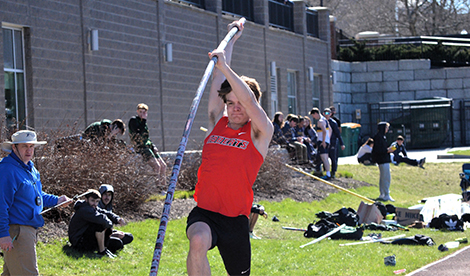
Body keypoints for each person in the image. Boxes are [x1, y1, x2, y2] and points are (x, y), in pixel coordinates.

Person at [186, 20, 273, 276]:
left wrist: (225, 64)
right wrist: (231, 40)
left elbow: (247, 98)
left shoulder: (260, 132)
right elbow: (218, 79)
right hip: (205, 213)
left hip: (235, 221)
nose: (236, 107)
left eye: (241, 103)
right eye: (230, 102)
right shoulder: (216, 122)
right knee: (198, 241)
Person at [0, 130, 71, 275]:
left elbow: (38, 197)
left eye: (32, 146)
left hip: (28, 231)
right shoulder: (7, 169)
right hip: (17, 231)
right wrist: (3, 234)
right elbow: (1, 203)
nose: (29, 150)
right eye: (24, 146)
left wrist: (57, 200)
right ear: (14, 148)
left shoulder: (31, 169)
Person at [68, 189, 127, 258]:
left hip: (86, 237)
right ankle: (102, 251)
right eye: (92, 201)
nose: (95, 204)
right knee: (100, 225)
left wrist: (117, 219)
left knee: (127, 237)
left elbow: (105, 213)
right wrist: (110, 227)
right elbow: (102, 219)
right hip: (78, 241)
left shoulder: (91, 207)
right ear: (86, 199)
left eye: (97, 202)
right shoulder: (85, 209)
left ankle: (104, 249)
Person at [128, 103, 167, 185]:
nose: (142, 114)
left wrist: (153, 146)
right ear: (137, 112)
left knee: (163, 166)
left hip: (148, 146)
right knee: (157, 166)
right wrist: (144, 120)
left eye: (144, 112)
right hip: (140, 147)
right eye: (140, 112)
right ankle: (158, 187)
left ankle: (164, 187)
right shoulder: (134, 121)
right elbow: (138, 133)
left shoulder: (143, 123)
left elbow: (146, 137)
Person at [371, 122, 395, 202]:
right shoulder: (379, 137)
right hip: (383, 160)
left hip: (383, 159)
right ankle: (386, 194)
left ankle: (382, 194)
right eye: (386, 127)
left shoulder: (381, 137)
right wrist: (388, 150)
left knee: (383, 177)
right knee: (386, 178)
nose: (387, 129)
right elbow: (379, 150)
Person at [310, 107, 331, 179]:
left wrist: (323, 141)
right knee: (324, 158)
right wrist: (328, 139)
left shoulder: (320, 121)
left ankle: (328, 174)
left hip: (322, 142)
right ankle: (327, 173)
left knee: (324, 158)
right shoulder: (325, 120)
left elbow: (325, 131)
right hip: (326, 141)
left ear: (315, 113)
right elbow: (330, 130)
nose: (313, 117)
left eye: (313, 115)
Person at [326, 109, 345, 178]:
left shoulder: (333, 122)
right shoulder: (322, 122)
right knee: (324, 157)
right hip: (325, 142)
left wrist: (341, 144)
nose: (326, 114)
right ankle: (324, 171)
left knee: (333, 157)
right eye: (325, 112)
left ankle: (333, 172)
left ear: (330, 114)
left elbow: (338, 133)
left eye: (328, 112)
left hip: (333, 142)